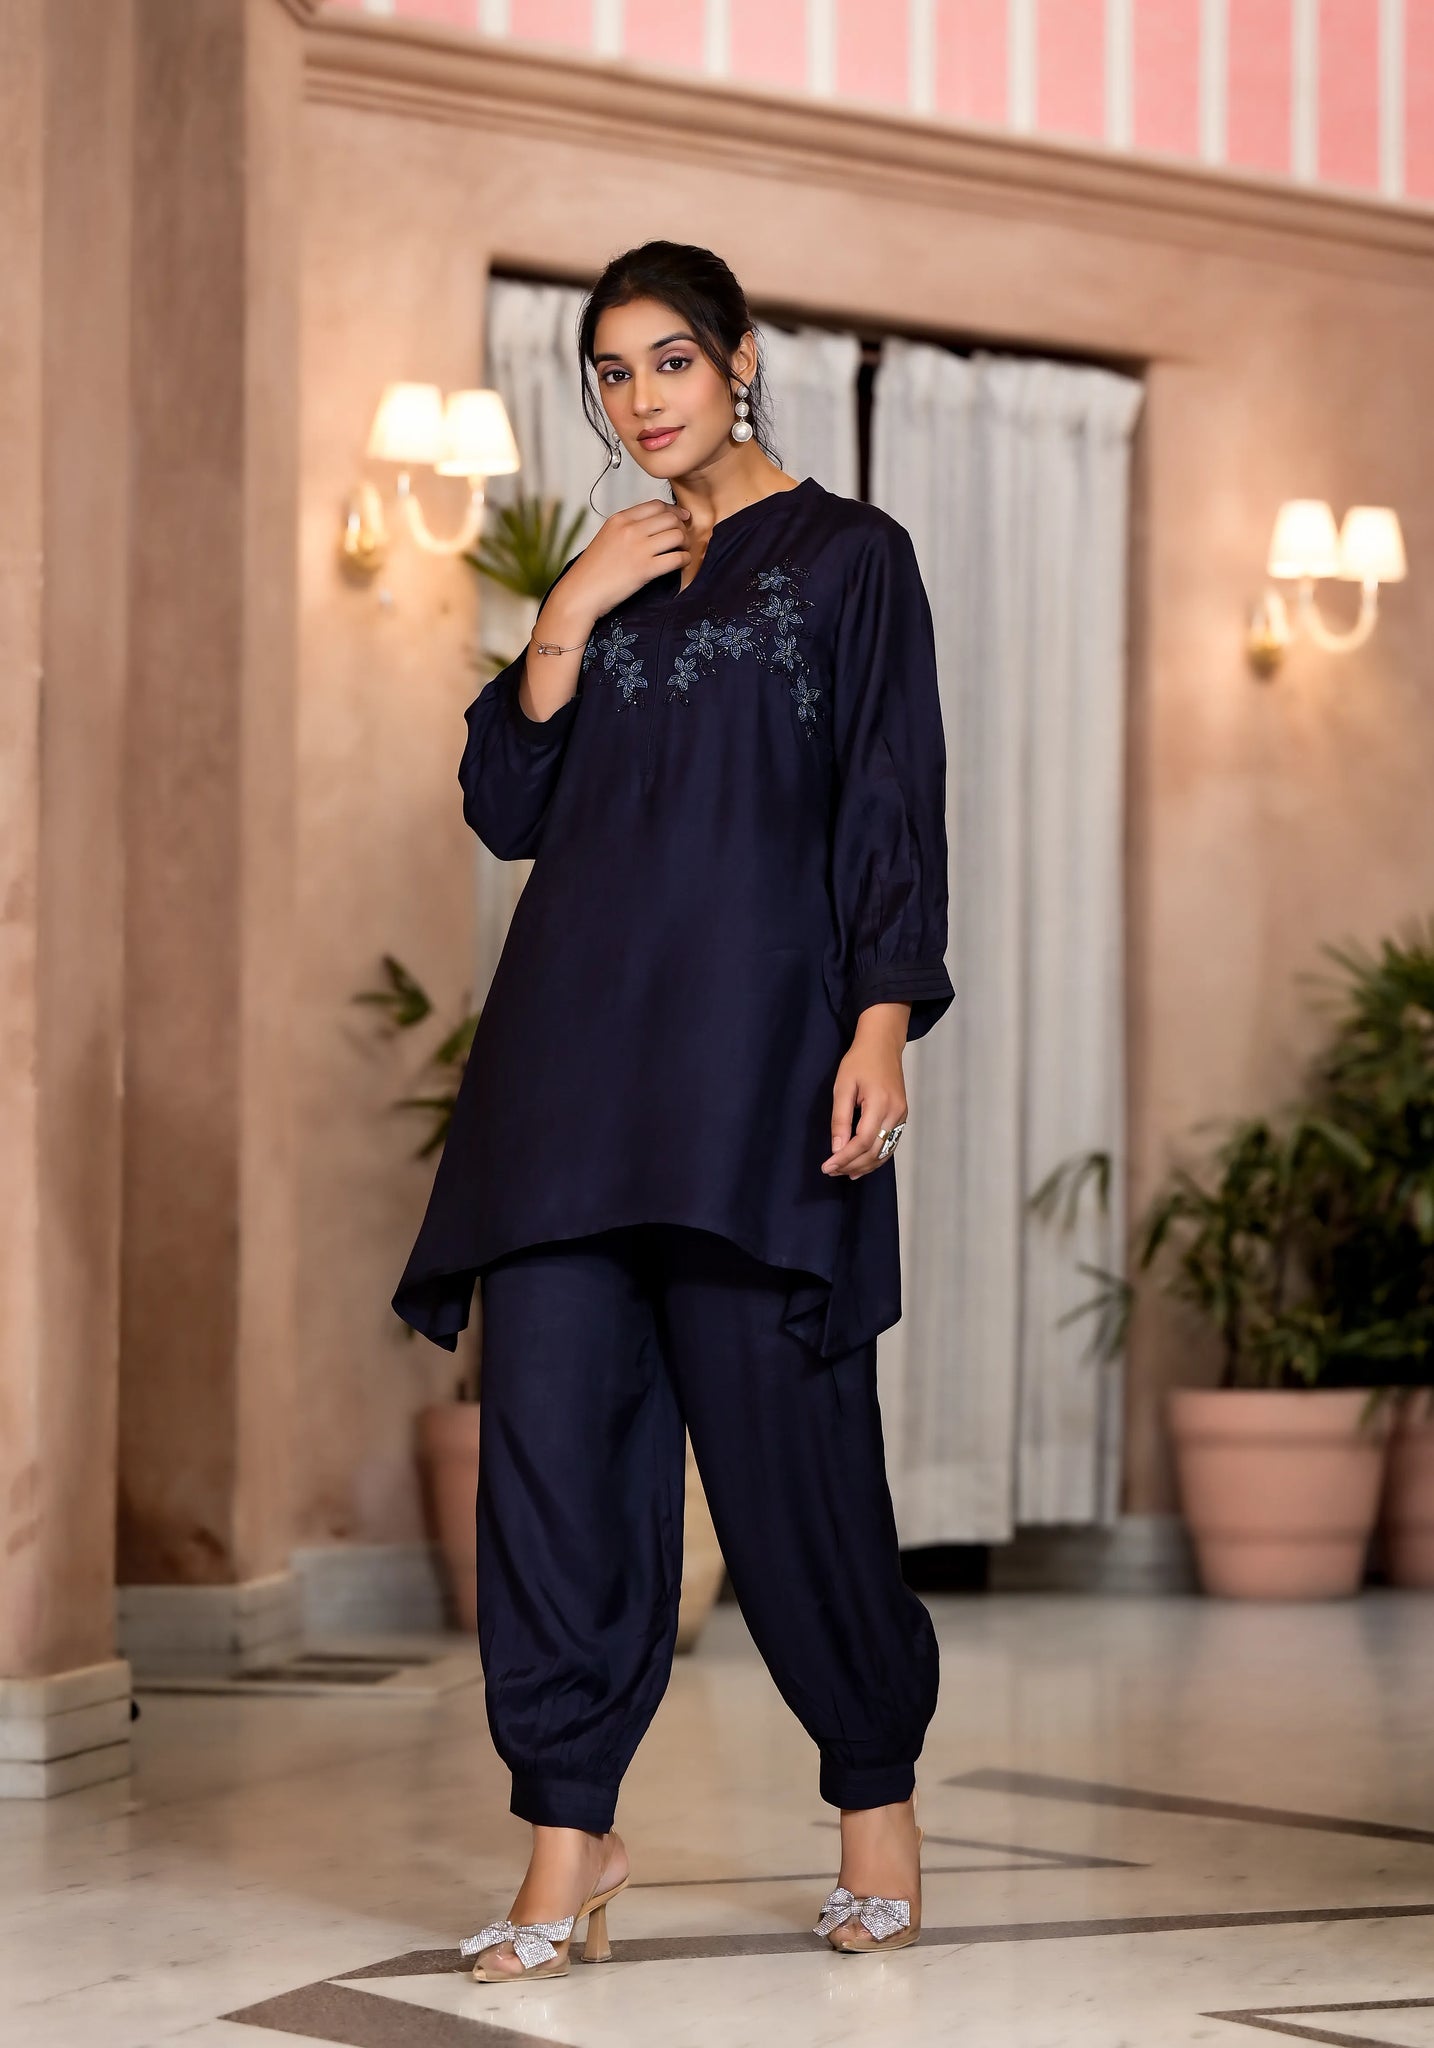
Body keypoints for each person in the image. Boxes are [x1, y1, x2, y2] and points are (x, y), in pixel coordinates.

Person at [391, 240, 954, 1980]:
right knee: (552, 1468)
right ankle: (569, 1838)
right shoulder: (614, 567)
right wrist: (566, 610)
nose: (640, 400)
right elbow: (507, 805)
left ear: (739, 359)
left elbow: (888, 800)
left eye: (669, 362)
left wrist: (880, 1023)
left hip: (754, 1079)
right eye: (611, 373)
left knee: (792, 1464)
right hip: (563, 1087)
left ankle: (873, 1800)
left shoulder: (851, 558)